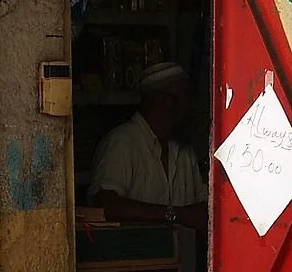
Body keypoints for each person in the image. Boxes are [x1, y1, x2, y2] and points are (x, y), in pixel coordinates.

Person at [88, 62, 208, 231]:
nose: (190, 109)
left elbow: (203, 206)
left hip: (183, 256)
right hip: (134, 256)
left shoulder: (183, 150)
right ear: (166, 101)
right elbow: (106, 204)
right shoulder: (122, 142)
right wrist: (176, 215)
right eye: (186, 99)